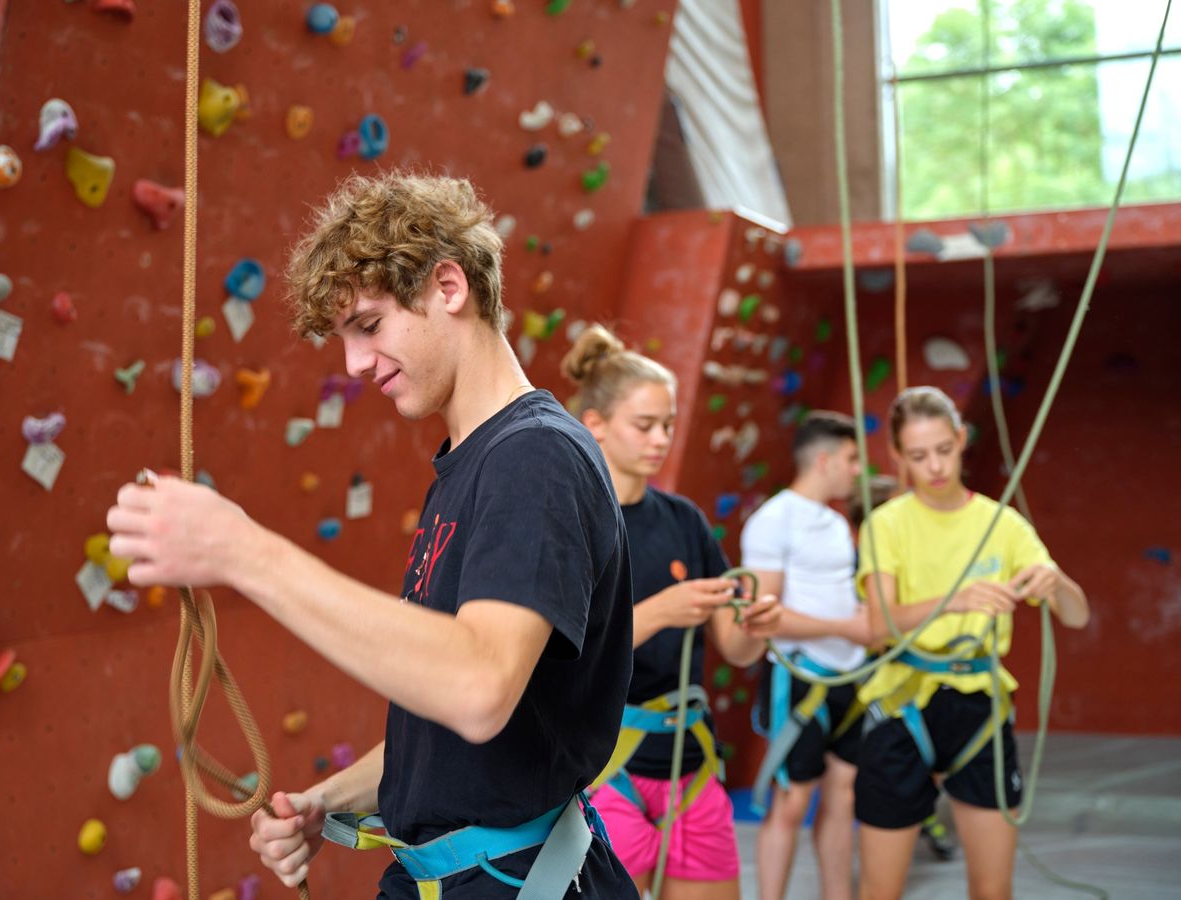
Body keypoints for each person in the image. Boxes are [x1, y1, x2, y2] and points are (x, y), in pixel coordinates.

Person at [106, 172, 640, 899]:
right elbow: (450, 728)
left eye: (368, 325)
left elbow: (478, 687)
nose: (355, 364)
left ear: (448, 287)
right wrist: (333, 797)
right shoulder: (469, 467)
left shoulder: (535, 458)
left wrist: (243, 551)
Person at [562, 324, 783, 900]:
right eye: (645, 425)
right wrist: (658, 612)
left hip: (689, 759)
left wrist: (755, 628)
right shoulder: (573, 525)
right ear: (596, 426)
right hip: (610, 767)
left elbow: (733, 649)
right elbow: (559, 661)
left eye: (668, 424)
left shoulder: (684, 520)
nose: (661, 438)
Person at [854, 386, 1090, 900]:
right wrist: (954, 600)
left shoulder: (1001, 523)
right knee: (879, 889)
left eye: (944, 449)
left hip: (979, 706)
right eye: (918, 456)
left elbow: (1075, 615)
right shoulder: (887, 524)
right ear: (897, 456)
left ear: (962, 439)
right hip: (903, 703)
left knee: (991, 888)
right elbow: (878, 626)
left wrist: (1057, 583)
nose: (935, 466)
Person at [739, 411, 873, 900]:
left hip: (849, 678)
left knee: (842, 798)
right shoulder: (773, 521)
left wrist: (865, 622)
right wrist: (848, 627)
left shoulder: (838, 523)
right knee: (791, 804)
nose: (857, 469)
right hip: (800, 680)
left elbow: (834, 594)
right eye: (851, 458)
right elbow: (764, 617)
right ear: (824, 459)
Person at [848, 474, 956, 864]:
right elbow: (873, 631)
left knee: (929, 755)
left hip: (908, 679)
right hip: (874, 680)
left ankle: (923, 809)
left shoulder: (906, 554)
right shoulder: (864, 558)